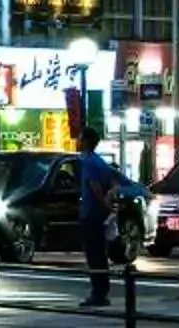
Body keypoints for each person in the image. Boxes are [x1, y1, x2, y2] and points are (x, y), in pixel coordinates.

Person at [75, 130, 120, 309]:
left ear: (85, 141)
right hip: (98, 214)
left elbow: (96, 188)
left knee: (94, 255)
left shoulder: (89, 163)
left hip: (91, 214)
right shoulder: (100, 162)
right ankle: (101, 291)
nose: (76, 141)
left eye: (79, 138)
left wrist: (103, 204)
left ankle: (98, 293)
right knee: (99, 254)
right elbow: (111, 185)